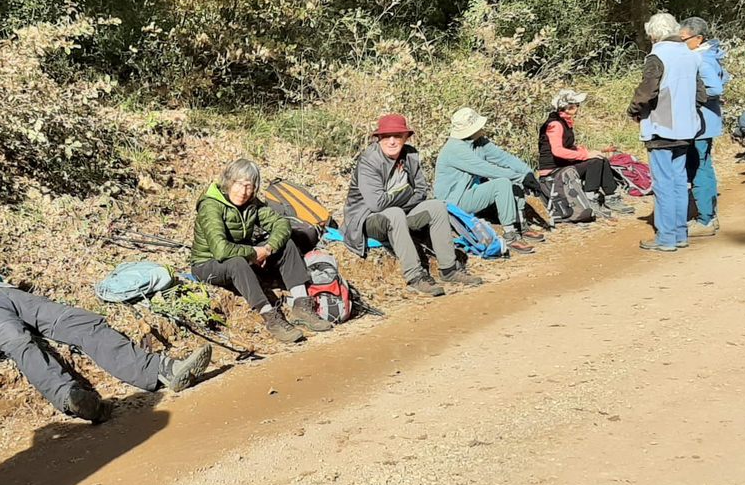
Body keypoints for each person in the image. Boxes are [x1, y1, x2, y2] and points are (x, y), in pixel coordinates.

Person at [0, 239, 212, 423]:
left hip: (9, 294)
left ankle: (163, 371)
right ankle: (72, 399)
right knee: (19, 341)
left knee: (82, 322)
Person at [190, 158, 332, 342]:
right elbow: (220, 250)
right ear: (228, 182)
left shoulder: (252, 203)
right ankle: (271, 317)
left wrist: (267, 248)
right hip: (208, 264)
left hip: (244, 255)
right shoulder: (211, 205)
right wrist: (253, 253)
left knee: (286, 244)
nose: (243, 192)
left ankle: (302, 306)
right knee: (237, 263)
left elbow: (281, 224)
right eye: (238, 184)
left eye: (248, 186)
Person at [341, 114, 485, 295]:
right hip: (367, 219)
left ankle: (449, 269)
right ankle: (415, 276)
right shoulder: (370, 161)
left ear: (405, 137)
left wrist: (404, 196)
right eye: (386, 136)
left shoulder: (410, 155)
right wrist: (407, 191)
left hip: (401, 212)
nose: (392, 141)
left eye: (397, 136)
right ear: (378, 138)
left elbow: (422, 191)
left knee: (437, 207)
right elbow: (377, 204)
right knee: (394, 214)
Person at [628, 12, 706, 252]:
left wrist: (633, 110)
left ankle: (666, 237)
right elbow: (701, 95)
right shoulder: (690, 55)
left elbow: (647, 91)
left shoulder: (656, 56)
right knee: (680, 181)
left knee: (663, 184)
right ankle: (680, 233)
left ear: (652, 34)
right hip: (686, 129)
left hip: (660, 128)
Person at [434, 107, 545, 254]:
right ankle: (510, 235)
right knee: (503, 182)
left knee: (514, 180)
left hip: (470, 192)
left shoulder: (478, 142)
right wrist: (521, 177)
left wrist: (527, 174)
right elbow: (485, 169)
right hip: (454, 202)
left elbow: (503, 157)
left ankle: (521, 224)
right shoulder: (455, 149)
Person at [536, 89, 636, 216]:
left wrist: (591, 151)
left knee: (601, 158)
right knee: (594, 162)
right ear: (567, 107)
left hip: (562, 166)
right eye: (576, 105)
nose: (578, 108)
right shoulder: (555, 124)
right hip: (552, 171)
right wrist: (586, 155)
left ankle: (612, 196)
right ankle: (590, 198)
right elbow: (558, 151)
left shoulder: (563, 122)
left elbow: (569, 147)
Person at [680, 17, 729, 236]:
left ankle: (705, 220)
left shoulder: (701, 58)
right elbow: (725, 77)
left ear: (698, 38)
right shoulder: (709, 54)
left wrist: (690, 96)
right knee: (704, 166)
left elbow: (716, 88)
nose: (682, 43)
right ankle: (709, 215)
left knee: (699, 169)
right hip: (706, 122)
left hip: (700, 123)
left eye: (684, 39)